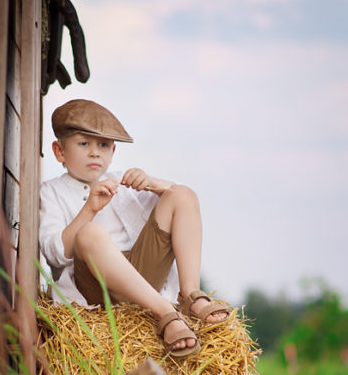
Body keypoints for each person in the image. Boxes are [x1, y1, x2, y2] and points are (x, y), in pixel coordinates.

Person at [39, 99, 229, 358]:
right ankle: (166, 314)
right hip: (96, 288)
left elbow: (178, 208)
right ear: (59, 152)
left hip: (141, 277)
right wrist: (89, 211)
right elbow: (54, 253)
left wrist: (152, 183)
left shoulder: (120, 181)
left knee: (183, 194)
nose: (95, 152)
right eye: (84, 144)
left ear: (113, 152)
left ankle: (190, 295)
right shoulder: (51, 192)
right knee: (90, 233)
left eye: (103, 145)